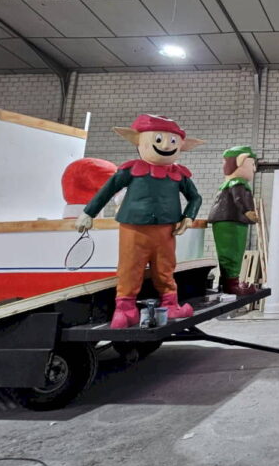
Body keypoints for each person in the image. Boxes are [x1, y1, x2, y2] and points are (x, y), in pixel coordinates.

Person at [76, 114, 204, 328]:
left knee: (165, 269)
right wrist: (89, 213)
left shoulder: (179, 175)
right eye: (159, 139)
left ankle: (170, 304)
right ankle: (125, 309)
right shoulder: (131, 170)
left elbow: (195, 197)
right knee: (130, 268)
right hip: (133, 229)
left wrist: (188, 216)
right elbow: (107, 190)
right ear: (139, 141)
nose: (166, 145)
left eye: (172, 141)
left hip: (166, 231)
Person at [207, 146, 260, 296]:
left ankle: (227, 281)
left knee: (228, 252)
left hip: (226, 219)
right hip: (231, 220)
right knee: (233, 251)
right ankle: (232, 285)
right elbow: (239, 198)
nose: (254, 169)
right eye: (252, 164)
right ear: (240, 161)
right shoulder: (237, 182)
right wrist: (248, 211)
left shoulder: (228, 184)